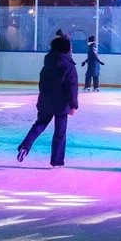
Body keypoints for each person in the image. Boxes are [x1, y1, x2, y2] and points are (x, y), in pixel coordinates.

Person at [16, 36, 79, 167]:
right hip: (61, 105)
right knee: (60, 133)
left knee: (39, 124)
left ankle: (25, 146)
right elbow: (72, 87)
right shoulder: (69, 66)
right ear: (65, 49)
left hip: (45, 101)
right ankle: (57, 161)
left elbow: (42, 84)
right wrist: (73, 105)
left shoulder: (47, 64)